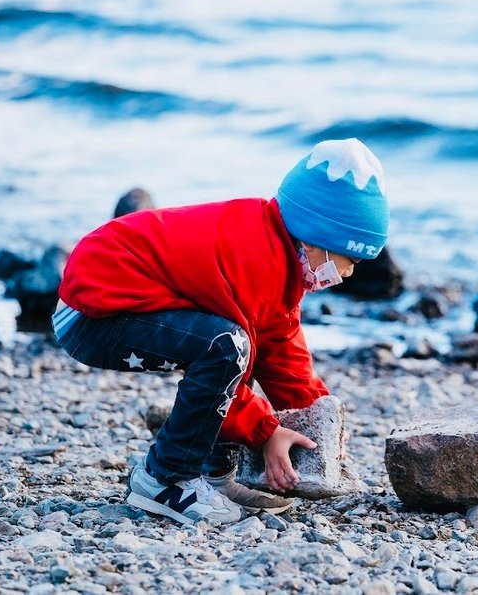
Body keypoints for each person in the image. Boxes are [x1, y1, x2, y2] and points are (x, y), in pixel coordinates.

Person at [52, 138, 389, 526]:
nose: (346, 275)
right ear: (315, 236)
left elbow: (279, 343)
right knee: (226, 347)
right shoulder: (253, 257)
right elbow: (236, 365)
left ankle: (214, 473)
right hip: (94, 312)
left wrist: (314, 414)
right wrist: (266, 430)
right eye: (348, 260)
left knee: (233, 345)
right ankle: (166, 478)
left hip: (116, 298)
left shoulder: (277, 253)